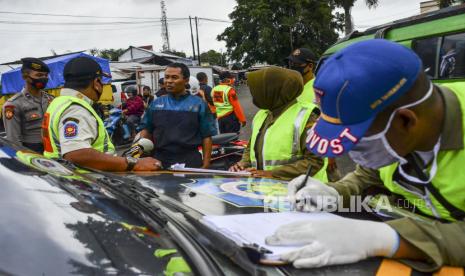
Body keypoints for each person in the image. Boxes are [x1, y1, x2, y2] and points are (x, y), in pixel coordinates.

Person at [266, 40, 465, 271]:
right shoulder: (397, 137)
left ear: (406, 121)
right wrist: (334, 192)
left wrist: (389, 239)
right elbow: (369, 174)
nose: (350, 152)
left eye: (357, 141)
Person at [42, 56, 161, 172]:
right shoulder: (76, 109)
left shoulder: (58, 102)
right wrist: (134, 163)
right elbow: (77, 154)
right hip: (86, 181)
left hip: (64, 176)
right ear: (96, 83)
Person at [229, 67, 329, 181]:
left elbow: (315, 161)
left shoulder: (308, 116)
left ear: (273, 91)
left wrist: (272, 174)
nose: (254, 95)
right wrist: (243, 163)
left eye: (257, 91)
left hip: (301, 192)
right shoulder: (262, 115)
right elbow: (251, 147)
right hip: (269, 191)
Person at [139, 63, 217, 169]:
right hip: (160, 161)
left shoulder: (199, 104)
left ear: (186, 80)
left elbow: (206, 136)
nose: (169, 81)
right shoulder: (156, 104)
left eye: (174, 77)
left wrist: (206, 163)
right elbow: (146, 131)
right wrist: (145, 155)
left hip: (190, 161)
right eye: (166, 77)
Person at [287, 47, 341, 179]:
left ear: (310, 66)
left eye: (296, 64)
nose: (292, 67)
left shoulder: (321, 88)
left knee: (327, 190)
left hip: (320, 150)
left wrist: (331, 155)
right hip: (300, 149)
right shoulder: (294, 88)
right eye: (291, 64)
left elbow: (332, 122)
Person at [2, 58, 54, 153]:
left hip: (54, 150)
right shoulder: (13, 104)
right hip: (32, 152)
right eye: (39, 75)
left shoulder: (51, 99)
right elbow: (14, 141)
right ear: (25, 77)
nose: (44, 78)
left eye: (46, 75)